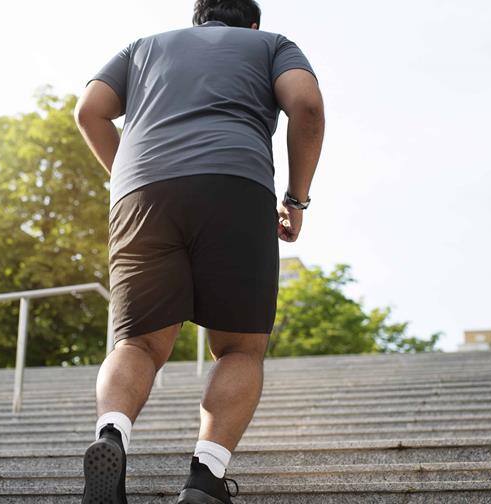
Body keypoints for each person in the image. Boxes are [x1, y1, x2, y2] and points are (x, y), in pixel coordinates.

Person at [74, 0, 324, 502]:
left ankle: (112, 436)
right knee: (239, 348)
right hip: (235, 186)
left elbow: (88, 110)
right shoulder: (272, 45)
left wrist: (130, 176)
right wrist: (296, 199)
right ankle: (205, 479)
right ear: (252, 23)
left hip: (142, 195)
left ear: (199, 19)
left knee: (137, 345)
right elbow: (308, 106)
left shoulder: (142, 48)